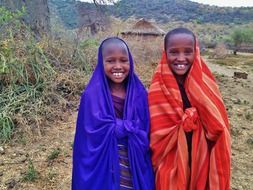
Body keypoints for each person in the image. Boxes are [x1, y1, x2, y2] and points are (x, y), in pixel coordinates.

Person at [148, 28, 231, 190]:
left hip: (202, 160)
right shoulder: (158, 89)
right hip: (169, 164)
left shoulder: (205, 85)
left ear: (196, 52)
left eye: (187, 52)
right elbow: (156, 134)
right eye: (174, 52)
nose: (181, 58)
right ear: (165, 53)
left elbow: (218, 126)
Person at [72, 37, 154, 190]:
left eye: (124, 60)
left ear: (130, 61)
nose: (118, 66)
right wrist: (118, 128)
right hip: (103, 164)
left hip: (134, 160)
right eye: (110, 61)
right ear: (101, 63)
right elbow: (87, 138)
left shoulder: (140, 93)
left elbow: (146, 129)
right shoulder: (92, 95)